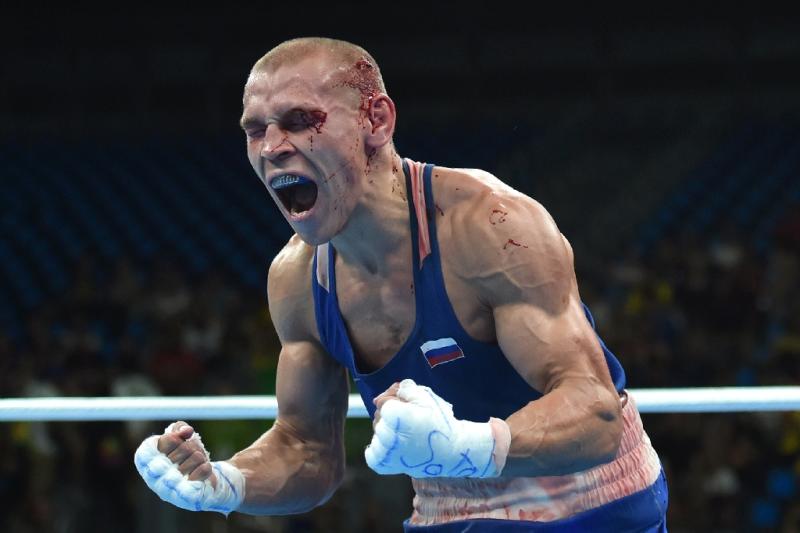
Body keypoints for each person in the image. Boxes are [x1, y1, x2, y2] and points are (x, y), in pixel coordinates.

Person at [134, 37, 669, 531]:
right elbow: (306, 450)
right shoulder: (297, 280)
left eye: (299, 120)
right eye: (255, 130)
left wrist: (468, 444)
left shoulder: (490, 227)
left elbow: (595, 414)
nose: (272, 147)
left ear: (376, 119)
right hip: (449, 506)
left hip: (593, 502)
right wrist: (225, 483)